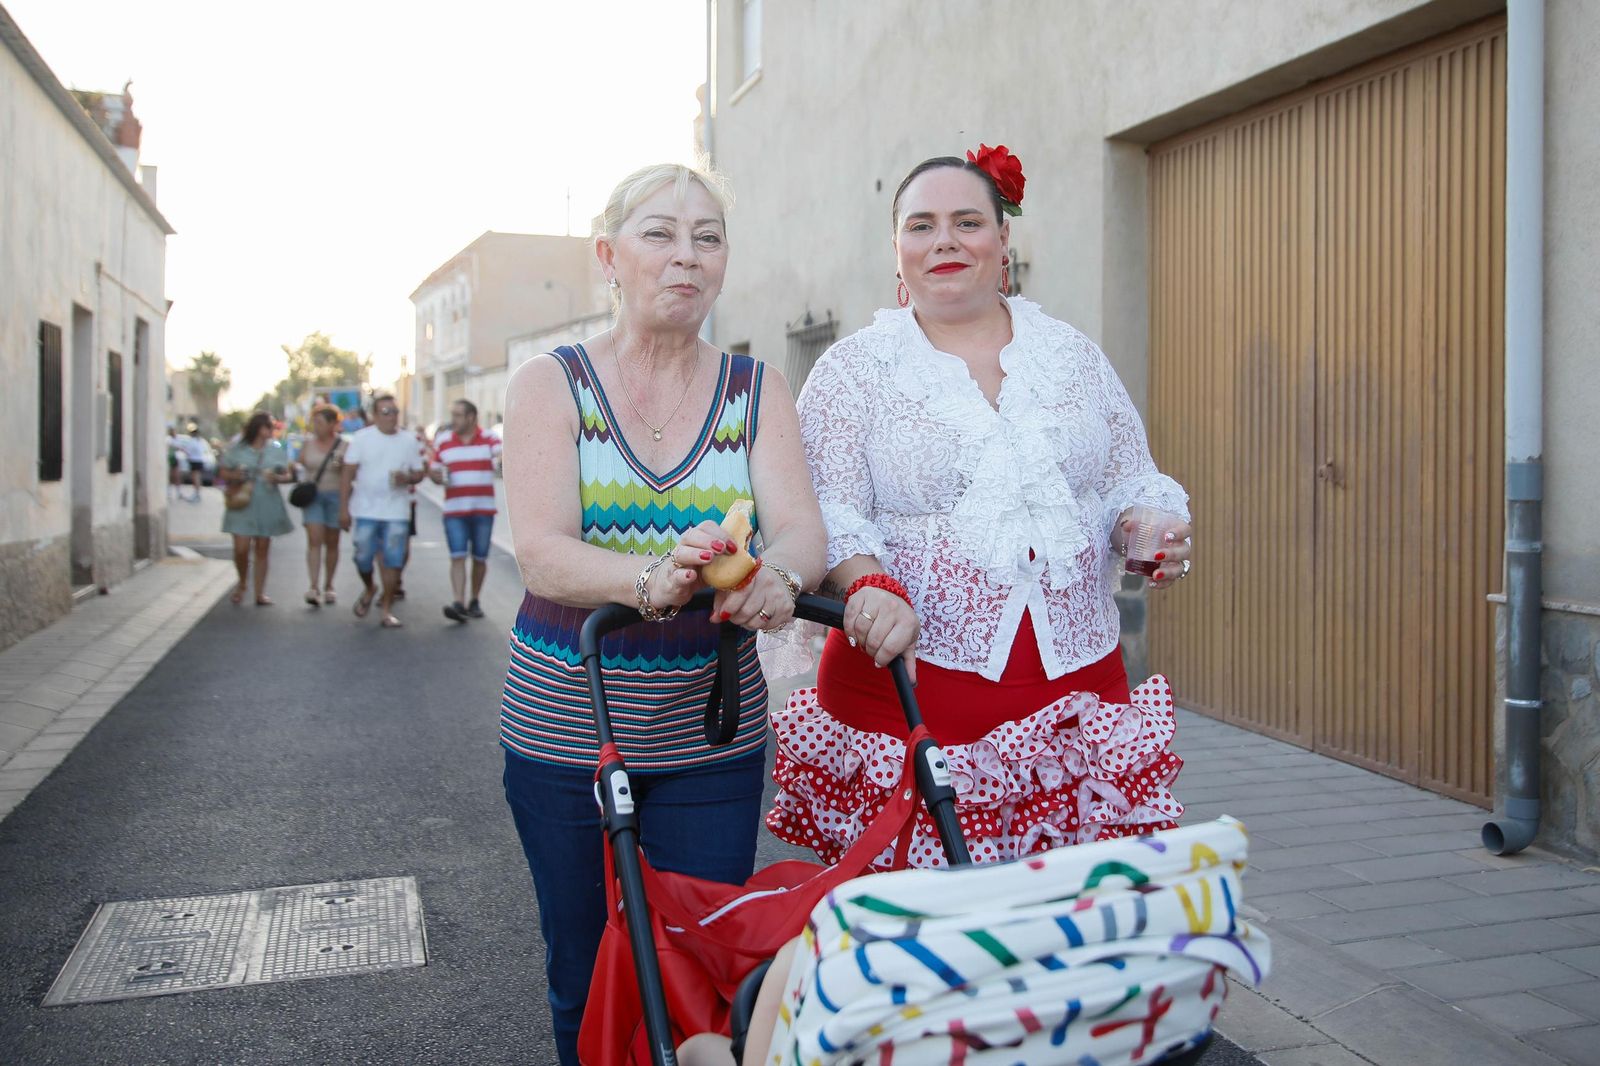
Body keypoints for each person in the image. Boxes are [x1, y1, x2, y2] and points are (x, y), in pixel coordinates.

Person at [766, 145, 1193, 871]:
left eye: (967, 222)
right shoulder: (852, 371)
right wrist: (869, 582)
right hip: (907, 696)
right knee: (925, 950)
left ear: (1004, 242)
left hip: (1079, 691)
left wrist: (1145, 523)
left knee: (1064, 935)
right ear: (895, 249)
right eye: (921, 225)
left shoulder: (1073, 357)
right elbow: (824, 507)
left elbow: (1129, 477)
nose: (945, 242)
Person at [498, 160, 826, 1066]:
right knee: (585, 966)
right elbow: (544, 553)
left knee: (701, 974)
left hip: (710, 738)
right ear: (610, 255)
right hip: (567, 726)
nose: (686, 257)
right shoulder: (548, 385)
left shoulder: (756, 391)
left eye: (707, 238)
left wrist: (780, 582)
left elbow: (800, 529)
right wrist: (651, 580)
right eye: (660, 234)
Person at [339, 394, 424, 628]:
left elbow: (419, 472)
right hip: (365, 509)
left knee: (393, 561)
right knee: (362, 556)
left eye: (394, 412)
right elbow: (347, 473)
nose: (391, 416)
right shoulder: (361, 439)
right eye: (385, 412)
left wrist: (407, 477)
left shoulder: (409, 440)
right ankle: (369, 587)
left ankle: (386, 608)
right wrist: (343, 508)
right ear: (374, 416)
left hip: (396, 510)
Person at [430, 399, 502, 622]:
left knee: (480, 557)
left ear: (471, 417)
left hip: (483, 510)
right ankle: (459, 602)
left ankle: (474, 600)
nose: (454, 421)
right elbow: (433, 471)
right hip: (454, 510)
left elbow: (504, 457)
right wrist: (436, 476)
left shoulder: (490, 438)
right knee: (457, 555)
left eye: (458, 416)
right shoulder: (443, 441)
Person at [219, 411, 296, 605]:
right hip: (243, 501)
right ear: (258, 428)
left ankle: (260, 592)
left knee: (263, 547)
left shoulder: (276, 449)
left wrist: (278, 478)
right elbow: (223, 472)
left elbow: (287, 474)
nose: (272, 430)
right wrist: (235, 474)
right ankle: (242, 582)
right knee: (241, 548)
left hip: (267, 500)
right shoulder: (238, 449)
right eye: (269, 426)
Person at [296, 403, 347, 606]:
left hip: (335, 495)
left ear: (333, 424)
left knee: (332, 542)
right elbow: (298, 465)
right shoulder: (308, 444)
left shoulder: (344, 446)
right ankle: (314, 586)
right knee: (314, 539)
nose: (316, 426)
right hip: (314, 496)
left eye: (320, 422)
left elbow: (350, 474)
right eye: (314, 422)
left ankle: (329, 585)